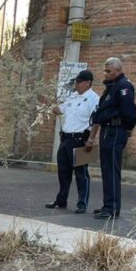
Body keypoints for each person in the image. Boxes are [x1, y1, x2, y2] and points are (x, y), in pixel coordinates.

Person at [90, 57, 136, 220]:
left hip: (116, 130)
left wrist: (127, 128)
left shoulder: (123, 86)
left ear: (118, 70)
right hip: (107, 130)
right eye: (105, 70)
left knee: (111, 170)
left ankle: (112, 208)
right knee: (106, 170)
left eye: (109, 71)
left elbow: (129, 112)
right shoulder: (111, 87)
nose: (106, 73)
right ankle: (108, 205)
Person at [45, 69, 99, 214]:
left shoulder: (94, 98)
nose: (77, 84)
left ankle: (82, 203)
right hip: (66, 138)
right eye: (76, 82)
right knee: (63, 172)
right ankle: (61, 200)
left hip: (81, 138)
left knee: (81, 173)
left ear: (88, 83)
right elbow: (59, 110)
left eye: (79, 82)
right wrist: (50, 103)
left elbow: (96, 121)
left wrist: (91, 139)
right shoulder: (73, 97)